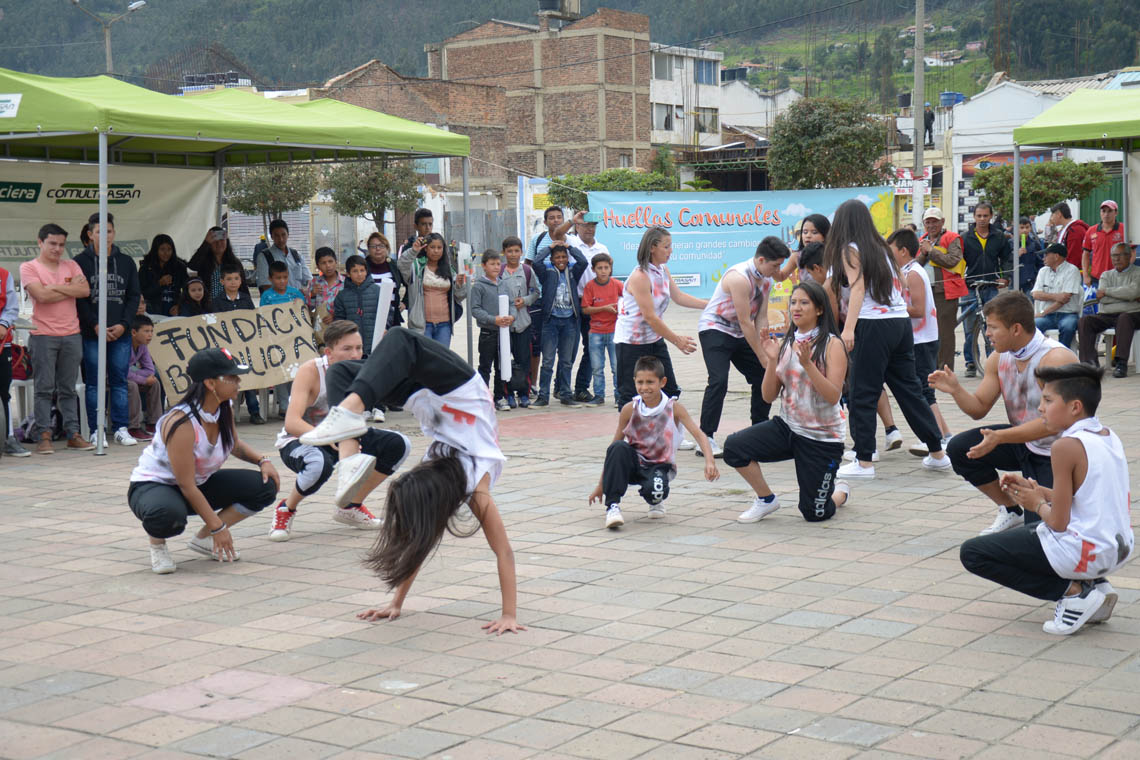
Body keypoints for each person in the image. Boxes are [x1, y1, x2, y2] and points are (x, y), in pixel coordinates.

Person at [298, 327, 524, 635]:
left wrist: (396, 603)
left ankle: (347, 455)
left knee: (340, 371)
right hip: (460, 391)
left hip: (424, 398)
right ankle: (349, 449)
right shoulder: (476, 489)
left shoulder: (439, 473)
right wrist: (508, 613)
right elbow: (504, 552)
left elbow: (418, 541)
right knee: (401, 340)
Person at [960, 363, 1133, 635]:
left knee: (973, 553)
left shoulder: (1065, 446)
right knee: (1030, 535)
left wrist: (1035, 504)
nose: (1040, 408)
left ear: (1075, 407)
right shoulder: (1108, 436)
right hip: (1117, 548)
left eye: (1048, 400)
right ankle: (1095, 584)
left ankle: (1075, 594)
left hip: (1086, 551)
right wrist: (1041, 491)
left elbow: (1058, 523)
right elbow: (1088, 496)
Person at [931, 291, 1078, 535]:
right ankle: (1010, 509)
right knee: (959, 449)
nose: (987, 333)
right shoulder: (999, 358)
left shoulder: (1055, 358)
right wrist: (956, 390)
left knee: (1041, 534)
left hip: (1058, 452)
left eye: (993, 327)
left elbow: (1055, 424)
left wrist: (1001, 437)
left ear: (1016, 329)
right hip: (1023, 442)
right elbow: (978, 408)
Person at [825, 199, 949, 480]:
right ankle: (938, 453)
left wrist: (848, 329)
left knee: (862, 392)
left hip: (872, 325)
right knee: (909, 390)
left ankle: (864, 461)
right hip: (900, 323)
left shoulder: (850, 250)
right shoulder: (881, 246)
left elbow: (857, 289)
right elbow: (903, 284)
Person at [128, 347, 279, 574]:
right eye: (232, 377)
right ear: (210, 384)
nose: (238, 382)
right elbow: (185, 484)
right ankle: (157, 545)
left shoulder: (223, 407)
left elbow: (233, 444)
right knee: (168, 515)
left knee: (265, 486)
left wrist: (262, 460)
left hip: (195, 484)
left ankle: (203, 539)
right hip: (155, 487)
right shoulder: (181, 423)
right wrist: (219, 527)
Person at [270, 320, 411, 541]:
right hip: (303, 439)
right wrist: (329, 437)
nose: (355, 355)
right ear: (329, 352)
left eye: (359, 348)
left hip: (345, 436)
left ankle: (350, 506)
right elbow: (292, 423)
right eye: (347, 349)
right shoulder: (311, 371)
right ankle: (286, 508)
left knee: (400, 445)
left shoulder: (364, 370)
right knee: (318, 465)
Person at [723, 280, 851, 523]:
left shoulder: (832, 344)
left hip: (822, 437)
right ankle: (766, 499)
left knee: (815, 512)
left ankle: (840, 491)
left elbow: (833, 395)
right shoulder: (785, 344)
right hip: (788, 427)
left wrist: (809, 366)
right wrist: (771, 361)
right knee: (733, 447)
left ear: (819, 309)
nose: (796, 308)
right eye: (793, 303)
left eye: (804, 303)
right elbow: (768, 396)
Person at [589, 355, 718, 529]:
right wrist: (601, 485)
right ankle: (612, 506)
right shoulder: (629, 409)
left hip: (659, 466)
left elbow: (700, 435)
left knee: (655, 492)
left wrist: (709, 462)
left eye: (650, 382)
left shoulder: (674, 408)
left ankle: (655, 499)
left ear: (662, 382)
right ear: (634, 381)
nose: (644, 387)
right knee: (618, 447)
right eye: (640, 382)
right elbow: (612, 450)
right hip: (634, 464)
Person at [696, 237, 789, 458]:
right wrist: (762, 355)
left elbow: (762, 318)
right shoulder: (739, 278)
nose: (778, 271)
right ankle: (706, 437)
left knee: (762, 375)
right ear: (761, 259)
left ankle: (760, 428)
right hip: (715, 329)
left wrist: (766, 349)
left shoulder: (766, 281)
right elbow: (746, 320)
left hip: (739, 332)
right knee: (718, 380)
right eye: (775, 265)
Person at [614, 227, 709, 419]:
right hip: (631, 343)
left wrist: (711, 306)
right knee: (632, 395)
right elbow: (650, 317)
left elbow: (679, 297)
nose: (670, 250)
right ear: (652, 248)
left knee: (669, 389)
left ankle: (669, 434)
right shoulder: (640, 276)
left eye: (670, 246)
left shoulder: (662, 270)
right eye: (666, 246)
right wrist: (677, 340)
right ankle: (629, 439)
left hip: (654, 340)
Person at [20, 225, 93, 454]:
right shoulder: (28, 267)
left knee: (68, 389)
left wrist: (54, 287)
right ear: (40, 242)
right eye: (52, 243)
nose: (57, 249)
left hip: (72, 334)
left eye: (61, 245)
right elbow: (40, 296)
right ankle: (44, 436)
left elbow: (85, 291)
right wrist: (69, 287)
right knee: (43, 388)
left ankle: (73, 433)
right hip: (43, 335)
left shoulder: (71, 264)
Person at [74, 212, 143, 447]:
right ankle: (96, 430)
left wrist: (124, 325)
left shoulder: (125, 262)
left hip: (120, 332)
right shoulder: (79, 262)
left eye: (109, 231)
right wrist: (94, 324)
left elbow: (133, 296)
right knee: (93, 382)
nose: (105, 236)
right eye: (99, 232)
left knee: (119, 381)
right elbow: (79, 300)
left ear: (114, 233)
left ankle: (121, 428)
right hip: (92, 333)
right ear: (90, 234)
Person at [887, 229, 953, 453]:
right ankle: (944, 435)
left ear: (904, 251)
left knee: (924, 390)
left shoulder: (914, 273)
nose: (889, 255)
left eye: (891, 250)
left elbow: (918, 310)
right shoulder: (906, 271)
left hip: (922, 340)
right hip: (917, 339)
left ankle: (939, 437)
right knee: (923, 390)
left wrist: (890, 308)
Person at [553, 211, 609, 402]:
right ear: (578, 226)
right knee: (569, 348)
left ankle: (581, 387)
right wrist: (571, 220)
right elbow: (556, 235)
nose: (589, 228)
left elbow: (607, 276)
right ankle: (560, 387)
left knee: (592, 348)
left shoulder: (602, 248)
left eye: (592, 225)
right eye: (585, 225)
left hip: (595, 305)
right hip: (574, 302)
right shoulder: (572, 242)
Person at [534, 238, 588, 407]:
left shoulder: (573, 271)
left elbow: (583, 261)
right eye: (557, 258)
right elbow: (536, 262)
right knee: (548, 361)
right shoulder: (547, 273)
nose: (561, 260)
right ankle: (543, 396)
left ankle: (565, 394)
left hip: (570, 322)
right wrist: (549, 247)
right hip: (551, 322)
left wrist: (569, 247)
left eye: (563, 257)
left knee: (566, 361)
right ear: (551, 260)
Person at [960, 202, 1012, 377]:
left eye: (985, 216)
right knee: (969, 328)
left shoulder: (999, 237)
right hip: (969, 287)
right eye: (979, 216)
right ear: (974, 217)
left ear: (991, 216)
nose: (982, 219)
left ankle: (993, 360)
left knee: (992, 325)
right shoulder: (965, 237)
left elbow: (1007, 259)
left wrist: (1006, 278)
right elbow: (959, 262)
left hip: (990, 286)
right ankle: (970, 363)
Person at [208, 265, 264, 425]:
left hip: (245, 346)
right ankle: (225, 413)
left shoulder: (246, 299)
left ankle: (254, 411)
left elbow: (252, 320)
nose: (233, 282)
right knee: (226, 379)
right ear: (222, 281)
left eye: (236, 279)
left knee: (249, 376)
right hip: (226, 348)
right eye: (229, 279)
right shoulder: (217, 301)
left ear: (241, 281)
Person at [1078, 242, 1140, 377]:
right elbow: (1101, 299)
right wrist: (1125, 297)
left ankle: (1121, 363)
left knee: (1124, 318)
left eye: (1120, 255)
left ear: (1129, 256)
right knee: (1085, 321)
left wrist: (1107, 292)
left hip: (1132, 314)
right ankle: (1089, 364)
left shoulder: (1137, 273)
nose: (1116, 259)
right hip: (1108, 313)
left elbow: (1133, 292)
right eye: (1113, 256)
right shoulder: (1106, 275)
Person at [398, 232, 469, 347]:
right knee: (425, 362)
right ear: (426, 248)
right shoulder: (417, 267)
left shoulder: (450, 270)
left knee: (441, 362)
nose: (436, 251)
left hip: (444, 326)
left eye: (439, 247)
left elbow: (459, 296)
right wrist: (413, 250)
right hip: (422, 326)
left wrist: (460, 285)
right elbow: (401, 264)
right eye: (432, 247)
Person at [919, 207, 966, 371]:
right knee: (929, 332)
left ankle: (945, 371)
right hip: (927, 292)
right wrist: (925, 252)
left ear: (942, 222)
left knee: (945, 334)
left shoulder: (952, 238)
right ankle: (932, 367)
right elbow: (916, 263)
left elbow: (952, 260)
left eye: (934, 221)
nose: (931, 225)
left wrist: (931, 251)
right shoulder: (923, 239)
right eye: (928, 222)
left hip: (945, 292)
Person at [260, 260, 308, 417]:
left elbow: (304, 312)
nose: (282, 281)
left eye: (285, 277)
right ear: (270, 279)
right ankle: (284, 406)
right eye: (278, 278)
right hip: (276, 340)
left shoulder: (295, 293)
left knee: (296, 372)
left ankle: (296, 403)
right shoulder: (267, 296)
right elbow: (263, 316)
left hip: (295, 340)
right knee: (281, 373)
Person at [470, 250, 517, 411]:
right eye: (492, 264)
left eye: (498, 264)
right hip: (488, 333)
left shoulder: (504, 283)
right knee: (485, 366)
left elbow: (511, 303)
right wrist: (493, 319)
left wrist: (512, 316)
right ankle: (482, 398)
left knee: (502, 365)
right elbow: (475, 310)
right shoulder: (478, 286)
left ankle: (499, 397)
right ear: (484, 266)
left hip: (504, 333)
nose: (496, 267)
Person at [497, 236, 538, 407]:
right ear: (504, 253)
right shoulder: (499, 272)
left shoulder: (527, 271)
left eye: (516, 251)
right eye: (509, 251)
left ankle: (524, 393)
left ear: (521, 252)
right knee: (504, 360)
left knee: (524, 360)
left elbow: (536, 292)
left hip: (523, 323)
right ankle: (508, 394)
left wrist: (526, 300)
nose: (513, 255)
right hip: (504, 325)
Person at [527, 206, 564, 386]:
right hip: (540, 299)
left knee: (564, 348)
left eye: (559, 217)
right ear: (545, 222)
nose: (555, 220)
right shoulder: (538, 240)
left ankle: (560, 386)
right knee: (537, 344)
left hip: (563, 301)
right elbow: (529, 265)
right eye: (551, 218)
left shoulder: (570, 240)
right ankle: (533, 383)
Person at [581, 252, 623, 407]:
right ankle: (599, 395)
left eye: (606, 267)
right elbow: (585, 309)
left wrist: (621, 308)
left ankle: (620, 396)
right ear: (593, 269)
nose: (603, 271)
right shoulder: (590, 286)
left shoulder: (617, 285)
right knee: (597, 367)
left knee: (617, 367)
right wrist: (604, 308)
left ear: (611, 268)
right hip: (596, 332)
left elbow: (629, 300)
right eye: (600, 268)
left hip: (614, 331)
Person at [0, 263, 30, 458]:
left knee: (3, 391)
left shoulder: (4, 275)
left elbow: (11, 307)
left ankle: (8, 437)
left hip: (3, 342)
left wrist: (3, 324)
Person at [1032, 243, 1083, 350]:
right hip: (1048, 316)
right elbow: (1035, 294)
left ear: (1056, 256)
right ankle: (1040, 355)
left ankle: (1063, 355)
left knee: (1068, 327)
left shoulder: (1072, 270)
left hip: (1067, 314)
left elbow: (1064, 299)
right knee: (1033, 326)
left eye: (1046, 255)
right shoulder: (1043, 271)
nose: (1043, 258)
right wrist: (1057, 296)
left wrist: (1043, 312)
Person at [188, 227, 248, 305]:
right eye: (214, 241)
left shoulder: (235, 262)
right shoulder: (203, 261)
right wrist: (205, 243)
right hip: (208, 305)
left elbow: (243, 286)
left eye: (222, 240)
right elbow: (192, 265)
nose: (219, 243)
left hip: (231, 305)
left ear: (227, 241)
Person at [126, 315, 163, 442]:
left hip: (131, 375)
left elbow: (150, 369)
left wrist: (143, 376)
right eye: (146, 331)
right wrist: (142, 379)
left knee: (155, 382)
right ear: (134, 332)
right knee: (132, 385)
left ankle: (153, 423)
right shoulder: (125, 345)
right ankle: (133, 427)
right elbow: (122, 371)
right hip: (113, 376)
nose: (150, 335)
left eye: (151, 331)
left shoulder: (142, 346)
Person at [255, 219, 312, 297]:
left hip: (298, 303)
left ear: (288, 234)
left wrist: (307, 290)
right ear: (271, 236)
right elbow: (265, 286)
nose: (281, 239)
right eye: (277, 235)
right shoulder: (264, 257)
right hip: (277, 304)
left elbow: (309, 280)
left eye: (283, 234)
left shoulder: (297, 255)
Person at [138, 234, 189, 317]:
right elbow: (142, 294)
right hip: (152, 312)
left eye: (169, 249)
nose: (166, 253)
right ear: (155, 250)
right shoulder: (145, 268)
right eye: (162, 249)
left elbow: (188, 289)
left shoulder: (179, 267)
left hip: (174, 311)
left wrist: (179, 305)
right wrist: (159, 284)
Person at [363, 232, 405, 330]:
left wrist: (405, 302)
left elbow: (409, 284)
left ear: (387, 248)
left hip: (392, 318)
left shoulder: (395, 266)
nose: (377, 249)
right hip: (368, 317)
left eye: (381, 246)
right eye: (373, 246)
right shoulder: (363, 266)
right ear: (368, 249)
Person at [1082, 200, 1126, 287]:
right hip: (1097, 278)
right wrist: (1086, 275)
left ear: (1116, 212)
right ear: (1100, 212)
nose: (1106, 214)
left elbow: (1132, 252)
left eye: (1110, 211)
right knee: (1098, 301)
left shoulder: (1124, 229)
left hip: (1119, 278)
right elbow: (1085, 254)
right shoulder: (1091, 230)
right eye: (1103, 211)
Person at [779, 213, 830, 282]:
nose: (808, 236)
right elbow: (781, 276)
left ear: (825, 235)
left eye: (814, 232)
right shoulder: (797, 256)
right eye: (805, 232)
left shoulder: (833, 255)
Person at [1048, 201, 1089, 273]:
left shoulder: (1075, 230)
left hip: (1075, 273)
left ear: (1059, 214)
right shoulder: (1065, 230)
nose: (1051, 218)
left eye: (1052, 215)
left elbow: (1074, 257)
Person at [310, 247, 345, 328]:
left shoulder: (345, 283)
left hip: (340, 328)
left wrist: (335, 316)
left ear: (336, 262)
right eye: (323, 263)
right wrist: (312, 294)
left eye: (330, 261)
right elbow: (308, 309)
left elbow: (349, 307)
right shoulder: (314, 283)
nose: (328, 266)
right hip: (320, 329)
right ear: (318, 266)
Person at [1015, 217, 1044, 296]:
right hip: (1015, 280)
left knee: (1029, 303)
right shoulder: (1011, 243)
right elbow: (1006, 260)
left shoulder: (1034, 244)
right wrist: (1015, 255)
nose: (1024, 230)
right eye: (1021, 228)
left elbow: (1040, 261)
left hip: (1030, 280)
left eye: (1027, 227)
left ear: (1030, 228)